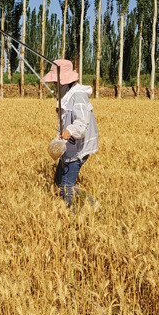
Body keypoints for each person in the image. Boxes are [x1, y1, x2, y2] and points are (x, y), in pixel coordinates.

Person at [43, 59, 99, 210]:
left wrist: (70, 130)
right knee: (58, 181)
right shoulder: (68, 94)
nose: (54, 84)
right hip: (69, 147)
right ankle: (90, 205)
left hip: (78, 149)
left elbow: (82, 122)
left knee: (66, 186)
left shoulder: (78, 95)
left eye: (56, 81)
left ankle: (75, 213)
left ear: (65, 81)